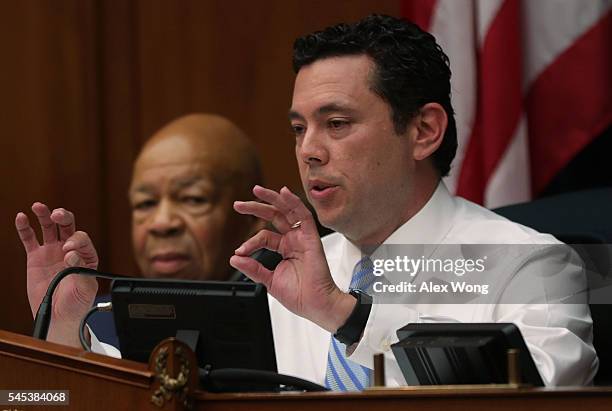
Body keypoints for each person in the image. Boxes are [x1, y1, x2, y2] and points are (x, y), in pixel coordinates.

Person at [19, 16, 597, 388]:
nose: (309, 151)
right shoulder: (275, 277)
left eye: (337, 123)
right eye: (299, 129)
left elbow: (534, 399)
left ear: (423, 131)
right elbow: (96, 398)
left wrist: (347, 318)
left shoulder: (527, 266)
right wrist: (63, 323)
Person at [16, 113, 264, 347]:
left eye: (193, 199)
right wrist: (64, 329)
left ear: (253, 220)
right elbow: (47, 396)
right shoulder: (93, 324)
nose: (161, 223)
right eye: (146, 203)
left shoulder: (291, 324)